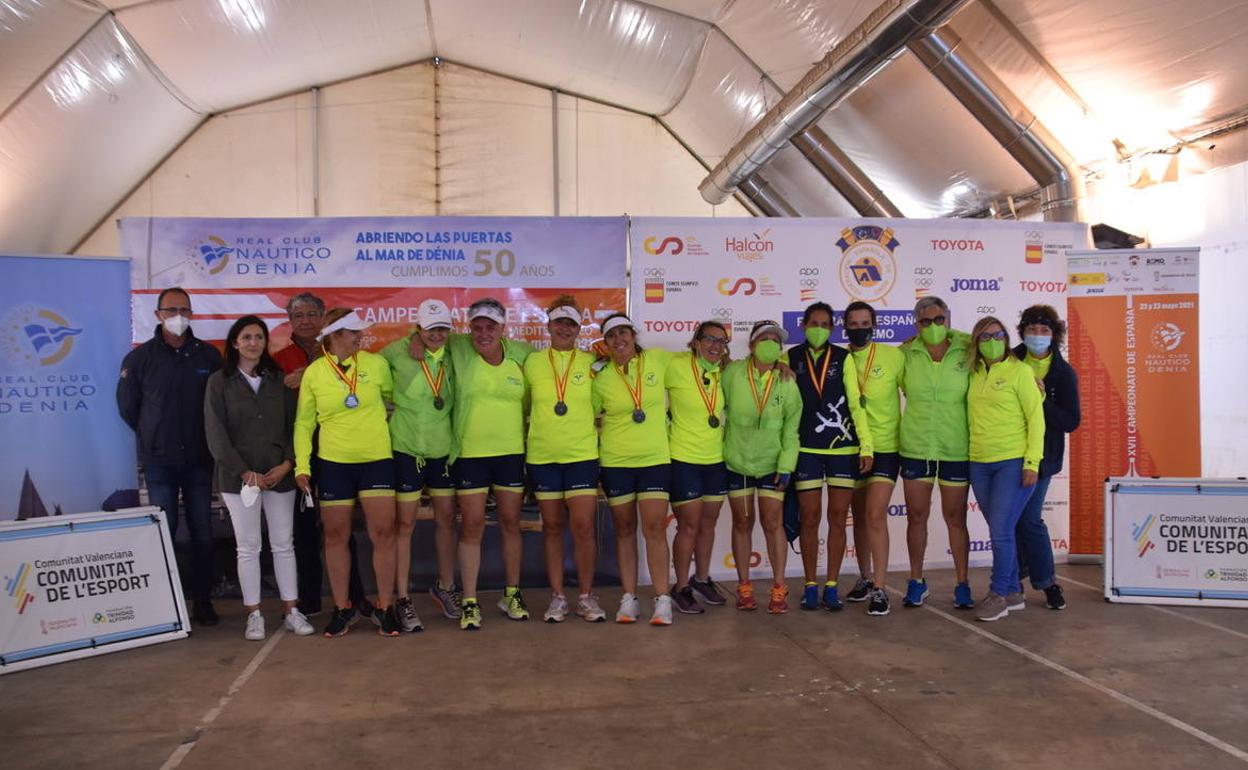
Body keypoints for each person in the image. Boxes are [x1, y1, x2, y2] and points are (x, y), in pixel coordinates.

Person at [117, 287, 223, 626]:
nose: (178, 316)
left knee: (202, 531)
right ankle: (169, 604)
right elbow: (129, 409)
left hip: (199, 460)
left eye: (185, 309)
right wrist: (154, 435)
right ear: (157, 314)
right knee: (163, 530)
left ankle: (203, 601)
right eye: (171, 309)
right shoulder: (139, 359)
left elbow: (220, 407)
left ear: (192, 314)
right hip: (159, 460)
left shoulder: (209, 357)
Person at [204, 316, 314, 640]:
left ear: (266, 343)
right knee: (248, 547)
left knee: (283, 544)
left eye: (259, 337)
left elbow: (297, 424)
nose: (254, 343)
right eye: (247, 337)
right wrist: (243, 471)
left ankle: (292, 610)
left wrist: (288, 463)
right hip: (239, 481)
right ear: (235, 343)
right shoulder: (219, 382)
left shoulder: (279, 380)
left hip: (279, 476)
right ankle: (254, 615)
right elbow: (215, 433)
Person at [293, 308, 401, 637]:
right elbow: (304, 423)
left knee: (383, 534)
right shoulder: (314, 373)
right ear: (335, 335)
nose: (360, 336)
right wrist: (302, 464)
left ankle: (385, 606)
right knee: (335, 536)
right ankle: (343, 607)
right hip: (334, 464)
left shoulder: (376, 365)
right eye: (353, 331)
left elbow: (397, 401)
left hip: (376, 460)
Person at [273, 292, 369, 619]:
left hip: (338, 448)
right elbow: (276, 408)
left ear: (324, 318)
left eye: (312, 314)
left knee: (341, 527)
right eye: (298, 315)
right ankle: (310, 597)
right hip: (300, 450)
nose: (305, 320)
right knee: (303, 528)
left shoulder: (347, 353)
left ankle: (355, 596)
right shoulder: (279, 358)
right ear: (289, 321)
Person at [444, 298, 534, 630]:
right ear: (469, 328)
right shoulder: (458, 348)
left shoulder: (522, 355)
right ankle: (469, 600)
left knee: (511, 522)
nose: (483, 333)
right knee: (472, 526)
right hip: (470, 455)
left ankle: (512, 592)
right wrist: (412, 338)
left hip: (511, 454)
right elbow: (423, 337)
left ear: (502, 328)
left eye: (491, 327)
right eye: (477, 327)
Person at [380, 299, 461, 632]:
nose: (437, 334)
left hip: (443, 449)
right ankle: (403, 597)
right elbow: (359, 368)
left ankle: (445, 587)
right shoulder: (395, 352)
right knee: (405, 525)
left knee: (446, 520)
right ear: (417, 328)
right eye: (430, 329)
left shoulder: (459, 350)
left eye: (443, 328)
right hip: (406, 447)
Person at [789, 302, 873, 612]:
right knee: (809, 518)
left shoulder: (843, 357)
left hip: (843, 448)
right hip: (806, 449)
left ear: (833, 329)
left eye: (826, 325)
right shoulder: (791, 358)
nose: (819, 329)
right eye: (814, 323)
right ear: (804, 325)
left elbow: (855, 402)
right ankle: (811, 584)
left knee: (838, 518)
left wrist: (866, 445)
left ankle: (832, 585)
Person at [524, 296, 603, 623]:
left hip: (582, 454)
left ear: (579, 328)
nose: (564, 329)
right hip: (543, 455)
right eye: (559, 323)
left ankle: (586, 595)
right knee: (553, 527)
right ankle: (557, 597)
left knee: (583, 527)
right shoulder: (530, 361)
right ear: (549, 326)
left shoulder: (593, 363)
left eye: (571, 324)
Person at [593, 313, 676, 625]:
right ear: (606, 342)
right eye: (611, 336)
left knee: (654, 528)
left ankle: (662, 598)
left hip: (654, 459)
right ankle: (629, 597)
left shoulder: (658, 360)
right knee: (625, 530)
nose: (619, 340)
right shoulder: (599, 375)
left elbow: (699, 364)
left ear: (633, 334)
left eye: (623, 333)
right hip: (616, 461)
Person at [898, 296, 975, 609]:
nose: (932, 326)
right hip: (916, 446)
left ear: (949, 319)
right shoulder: (905, 354)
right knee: (916, 517)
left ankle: (962, 583)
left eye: (938, 319)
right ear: (916, 324)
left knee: (956, 518)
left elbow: (1006, 362)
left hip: (956, 448)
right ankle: (916, 580)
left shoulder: (970, 348)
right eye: (925, 321)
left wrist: (1032, 377)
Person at [967, 316, 1045, 622]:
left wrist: (1031, 463)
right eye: (983, 338)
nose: (991, 342)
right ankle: (1013, 591)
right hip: (978, 462)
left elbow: (1036, 420)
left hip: (1012, 462)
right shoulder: (972, 372)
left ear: (1007, 338)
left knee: (1000, 531)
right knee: (1002, 529)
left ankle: (997, 594)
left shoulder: (1021, 372)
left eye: (997, 335)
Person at [722, 320, 801, 614]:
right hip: (737, 462)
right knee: (742, 523)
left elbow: (791, 430)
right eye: (764, 339)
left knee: (772, 523)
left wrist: (786, 466)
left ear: (780, 350)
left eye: (776, 341)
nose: (770, 344)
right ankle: (744, 586)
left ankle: (779, 586)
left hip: (772, 463)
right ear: (752, 345)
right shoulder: (732, 373)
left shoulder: (787, 380)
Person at [1012, 305, 1080, 611]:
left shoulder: (1063, 374)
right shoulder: (1008, 359)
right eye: (1032, 329)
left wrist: (1042, 401)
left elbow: (1070, 421)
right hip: (1006, 452)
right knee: (1008, 521)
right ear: (1022, 331)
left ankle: (1047, 581)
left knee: (1028, 520)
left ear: (1054, 336)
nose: (1037, 335)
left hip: (1042, 458)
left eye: (1044, 330)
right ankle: (1012, 580)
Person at [841, 301, 905, 616]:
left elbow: (918, 390)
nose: (859, 328)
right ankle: (865, 577)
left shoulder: (894, 356)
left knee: (876, 515)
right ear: (845, 327)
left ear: (874, 324)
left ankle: (881, 589)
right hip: (849, 447)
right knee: (860, 516)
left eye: (865, 322)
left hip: (885, 447)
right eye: (853, 324)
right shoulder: (838, 358)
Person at [667, 321, 732, 614]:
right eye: (709, 339)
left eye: (721, 341)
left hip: (716, 459)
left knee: (708, 524)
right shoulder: (676, 365)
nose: (716, 346)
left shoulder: (727, 372)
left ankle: (701, 579)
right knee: (689, 526)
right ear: (695, 341)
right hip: (683, 458)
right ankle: (680, 586)